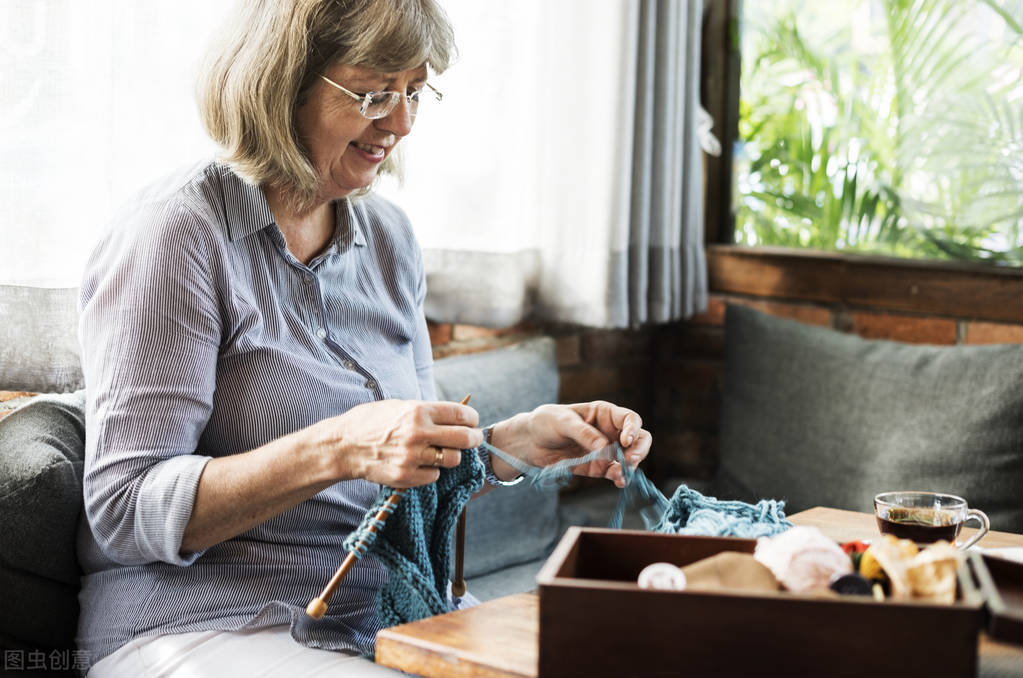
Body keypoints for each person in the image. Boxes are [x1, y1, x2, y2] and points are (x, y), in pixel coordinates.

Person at [76, 1, 652, 676]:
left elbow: (401, 477)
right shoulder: (176, 235)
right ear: (279, 83)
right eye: (374, 93)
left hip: (377, 619)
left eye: (414, 91)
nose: (402, 123)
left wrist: (512, 445)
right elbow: (123, 508)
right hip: (205, 623)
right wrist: (335, 447)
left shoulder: (388, 239)